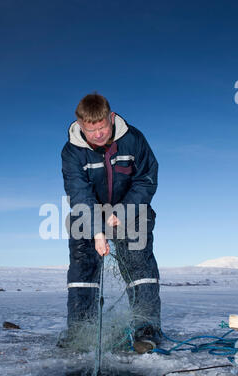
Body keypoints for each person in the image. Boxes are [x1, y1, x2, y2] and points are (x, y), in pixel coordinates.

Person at [59, 93, 161, 353]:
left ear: (111, 117)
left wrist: (123, 213)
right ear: (80, 125)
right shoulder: (71, 152)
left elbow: (146, 179)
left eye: (102, 128)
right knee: (82, 269)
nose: (97, 135)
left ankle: (146, 331)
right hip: (89, 211)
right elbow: (79, 193)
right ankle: (80, 332)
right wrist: (97, 231)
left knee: (139, 267)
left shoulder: (133, 139)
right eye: (90, 130)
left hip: (131, 209)